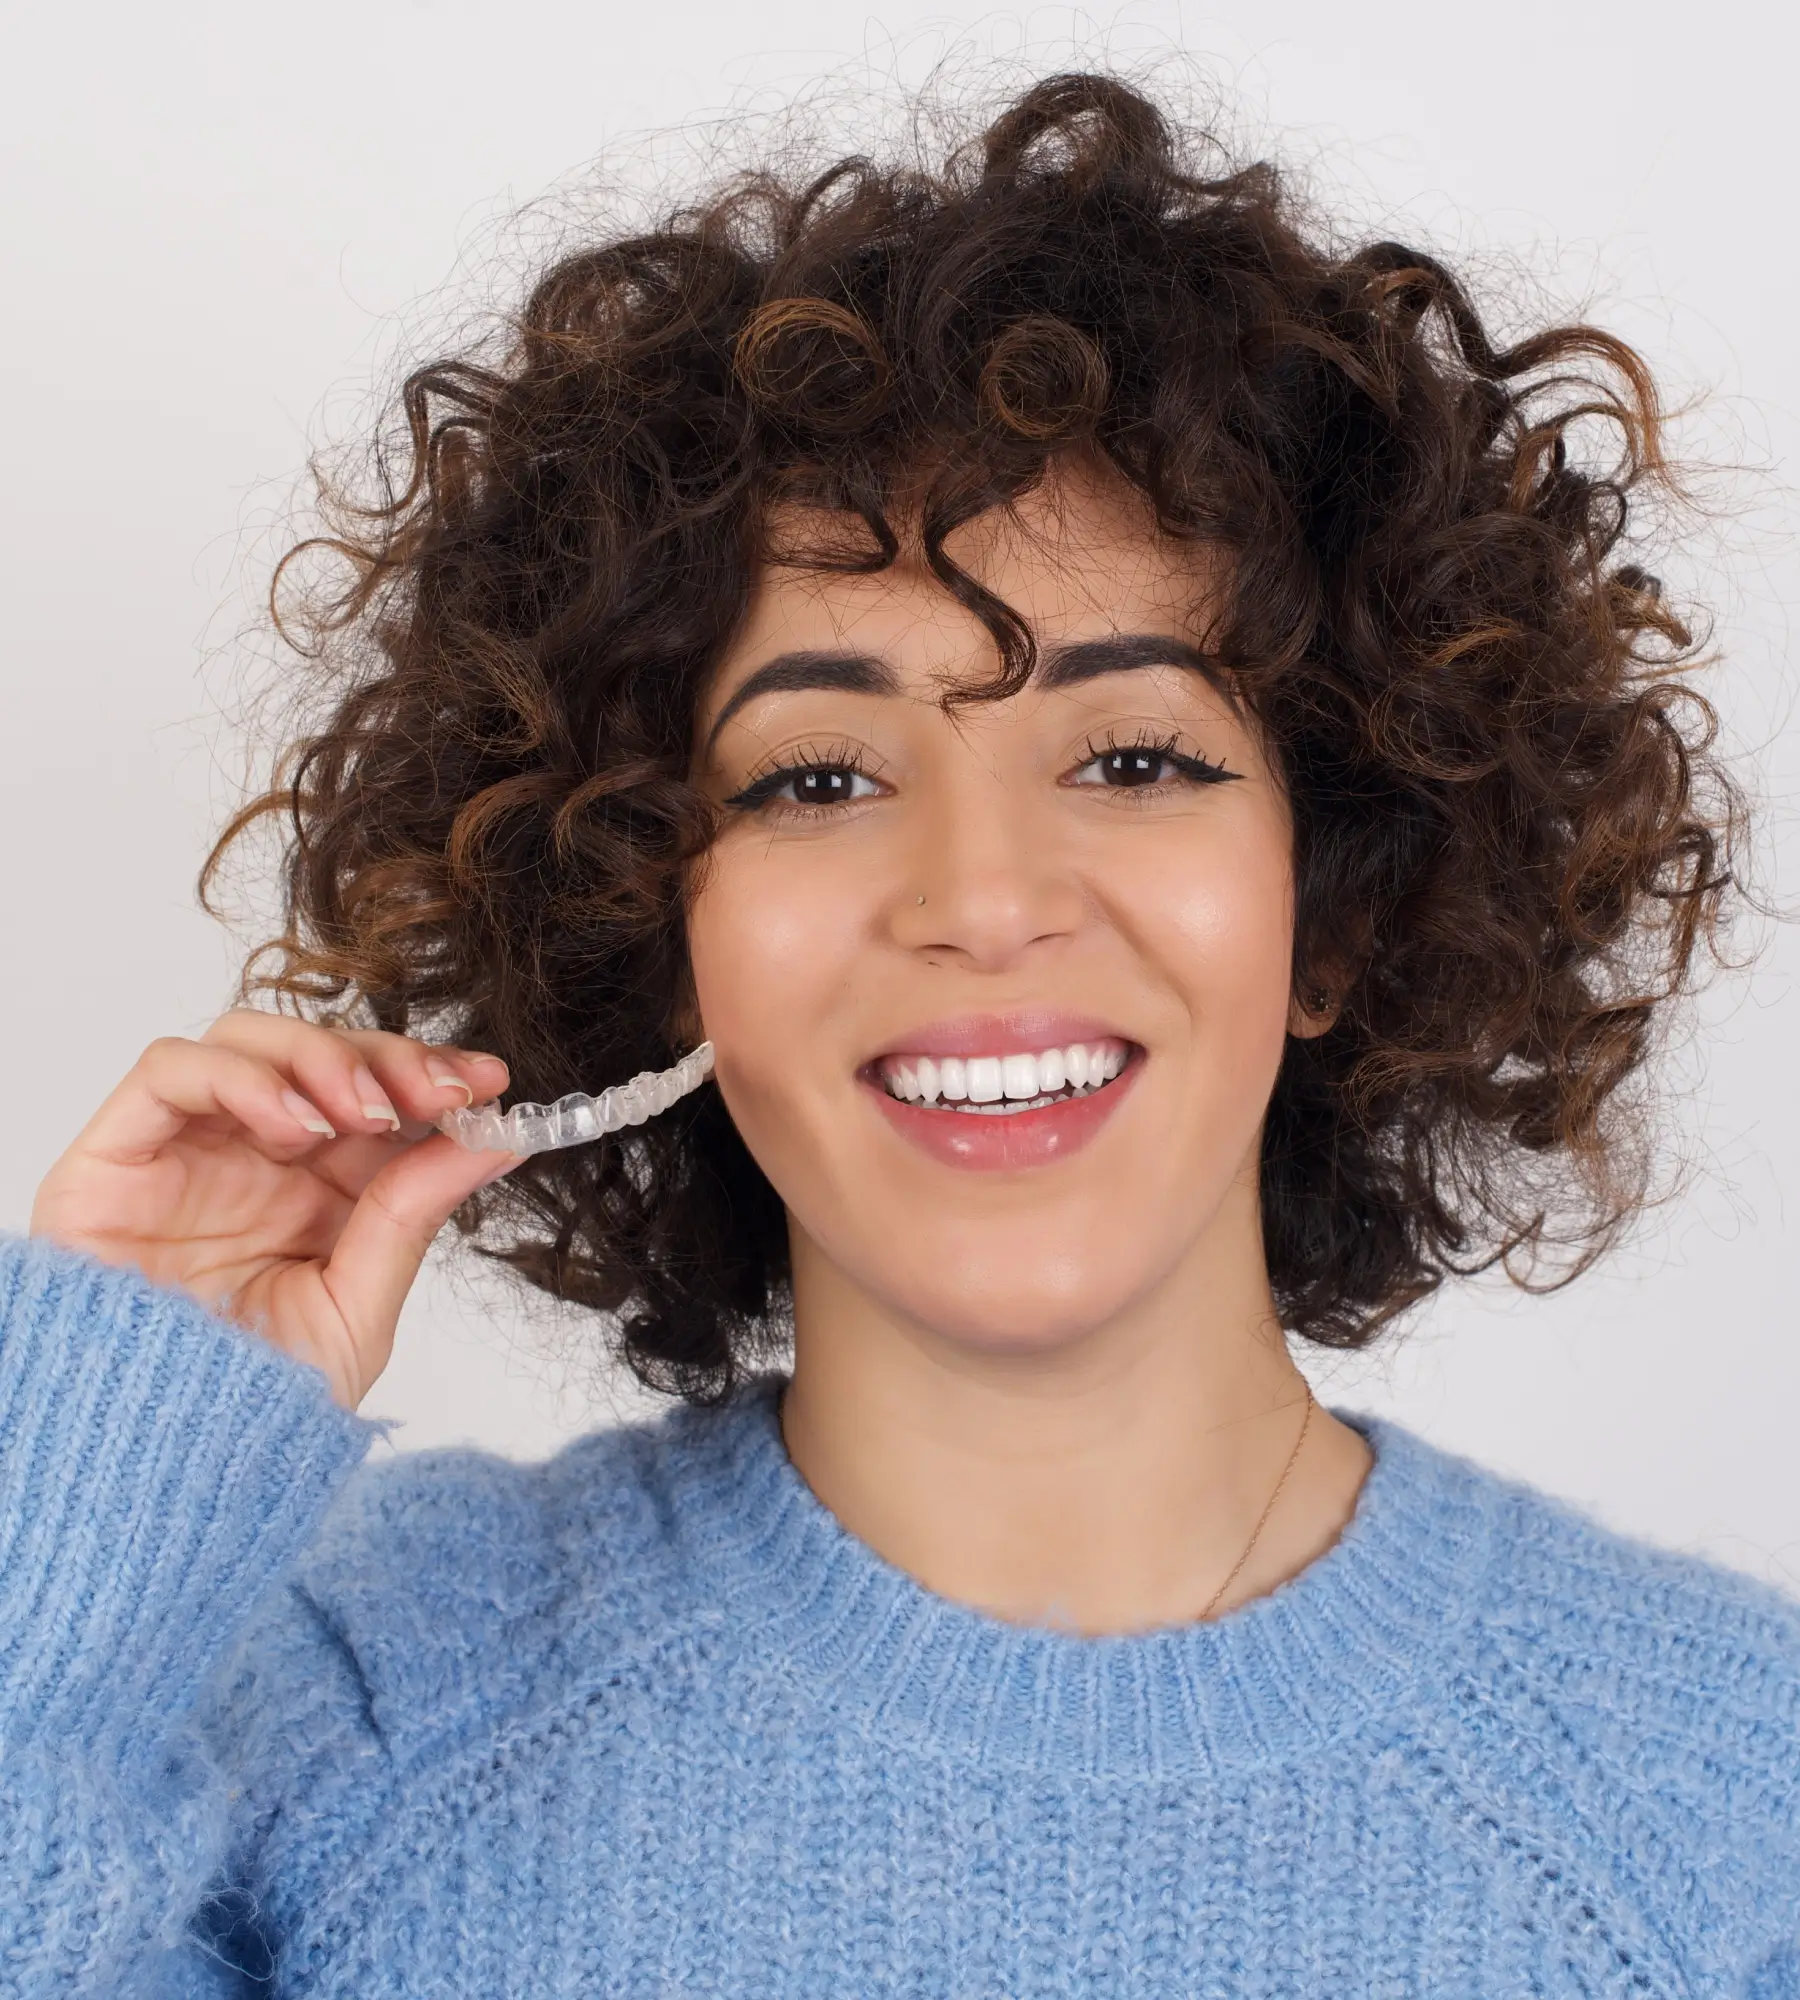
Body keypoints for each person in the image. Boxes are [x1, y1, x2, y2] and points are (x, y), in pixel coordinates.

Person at [5, 69, 1797, 1997]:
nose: (982, 895)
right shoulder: (344, 1705)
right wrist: (79, 1546)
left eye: (1136, 757)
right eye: (816, 779)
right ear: (657, 928)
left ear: (1341, 913)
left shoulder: (1722, 1811)